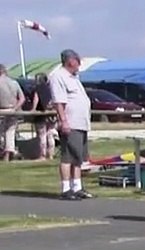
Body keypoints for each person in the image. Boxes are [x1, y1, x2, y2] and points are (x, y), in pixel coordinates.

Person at [47, 49, 93, 200]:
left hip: (81, 123)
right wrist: (63, 121)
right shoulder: (58, 77)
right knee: (68, 156)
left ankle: (77, 187)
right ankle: (66, 188)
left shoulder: (74, 77)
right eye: (77, 60)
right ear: (70, 61)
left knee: (78, 157)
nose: (79, 64)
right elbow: (59, 102)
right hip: (71, 122)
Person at [0, 65, 25, 162]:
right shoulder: (14, 83)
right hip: (13, 110)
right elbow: (22, 98)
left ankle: (5, 153)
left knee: (2, 133)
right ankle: (8, 153)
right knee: (10, 132)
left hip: (2, 110)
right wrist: (15, 108)